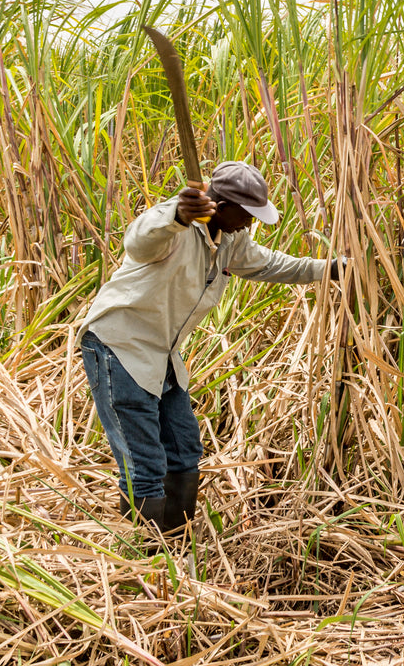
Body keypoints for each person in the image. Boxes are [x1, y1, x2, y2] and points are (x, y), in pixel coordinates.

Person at [79, 160, 339, 539]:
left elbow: (269, 265)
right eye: (246, 214)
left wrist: (330, 268)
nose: (249, 224)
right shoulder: (175, 227)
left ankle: (176, 544)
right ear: (219, 204)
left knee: (185, 451)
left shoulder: (230, 240)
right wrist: (178, 215)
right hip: (119, 346)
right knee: (144, 464)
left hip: (162, 355)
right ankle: (147, 562)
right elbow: (138, 240)